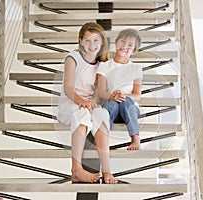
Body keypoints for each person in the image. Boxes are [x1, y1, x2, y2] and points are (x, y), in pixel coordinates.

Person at [57, 22, 117, 184]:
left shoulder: (102, 65)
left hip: (89, 104)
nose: (92, 45)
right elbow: (68, 88)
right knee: (82, 113)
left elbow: (99, 93)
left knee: (102, 115)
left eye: (96, 40)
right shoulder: (73, 58)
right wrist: (82, 102)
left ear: (102, 42)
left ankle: (107, 171)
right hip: (70, 103)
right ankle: (76, 169)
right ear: (80, 41)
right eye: (88, 40)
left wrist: (93, 102)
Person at [96, 28, 142, 150]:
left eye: (130, 45)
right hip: (111, 108)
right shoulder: (104, 66)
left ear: (134, 51)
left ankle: (135, 138)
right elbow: (101, 92)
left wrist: (123, 95)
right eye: (123, 42)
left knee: (126, 102)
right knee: (112, 104)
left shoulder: (136, 69)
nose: (125, 46)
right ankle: (101, 139)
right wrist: (113, 96)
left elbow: (137, 95)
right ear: (116, 43)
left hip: (129, 109)